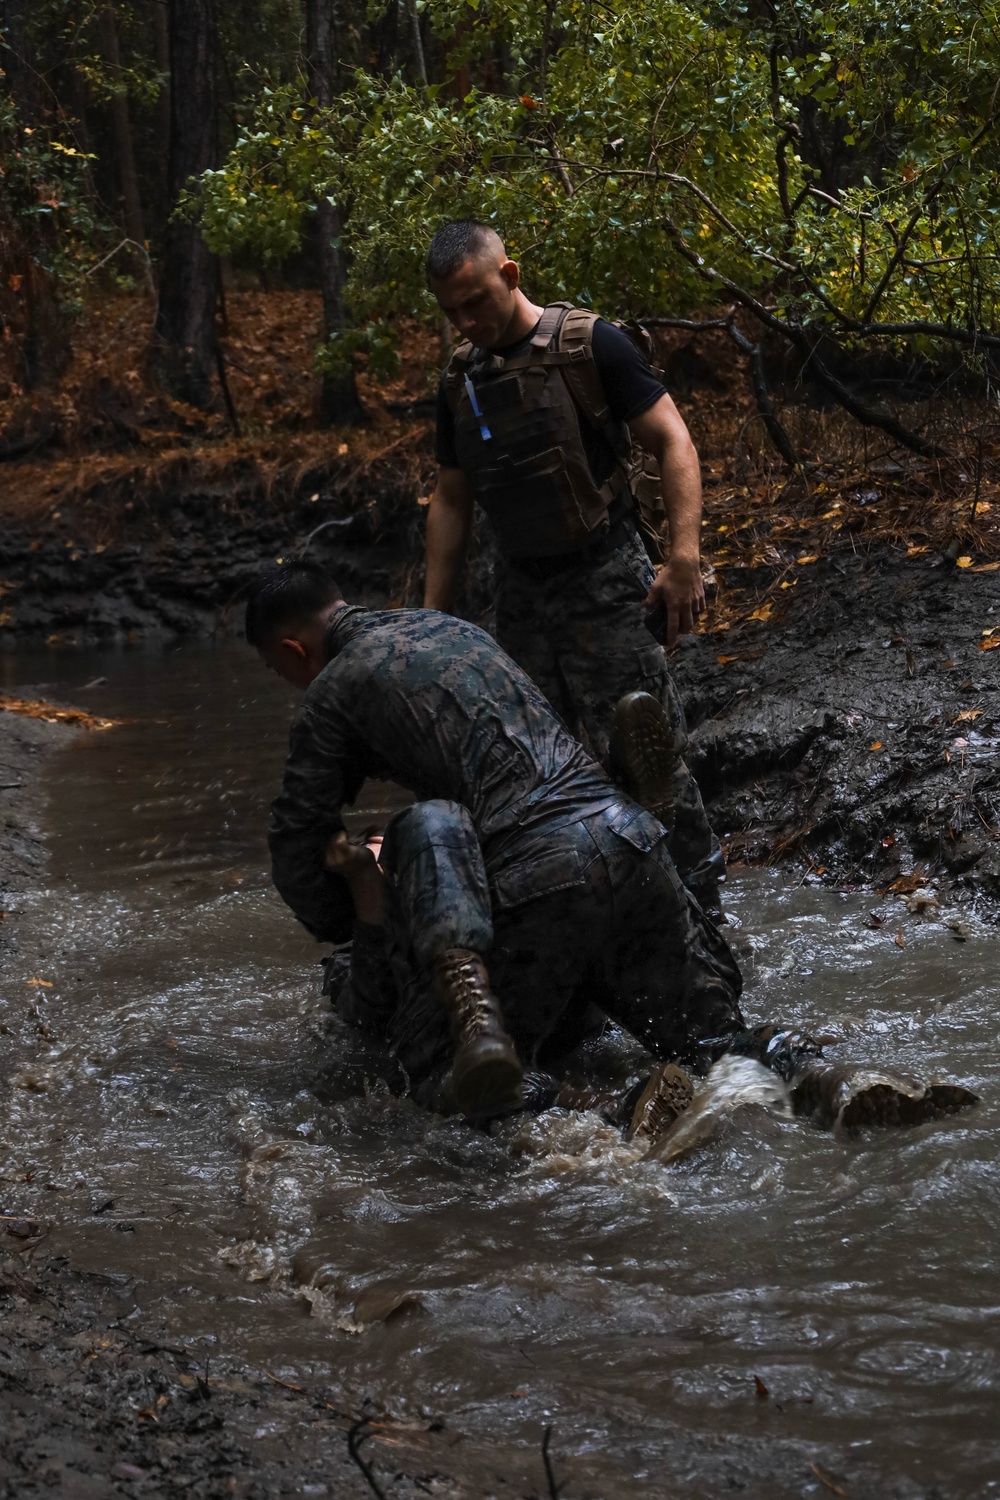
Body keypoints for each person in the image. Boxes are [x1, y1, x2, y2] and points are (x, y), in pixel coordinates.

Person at [247, 561, 745, 1123]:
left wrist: (360, 904)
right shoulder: (455, 631)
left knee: (435, 1073)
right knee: (719, 1048)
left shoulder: (333, 692)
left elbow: (297, 849)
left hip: (536, 880)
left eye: (277, 670)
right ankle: (821, 1079)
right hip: (626, 838)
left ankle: (613, 1110)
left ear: (293, 651)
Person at [422, 218, 725, 914]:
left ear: (510, 275)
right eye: (452, 312)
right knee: (538, 769)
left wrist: (683, 561)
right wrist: (434, 622)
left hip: (606, 579)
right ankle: (592, 914)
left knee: (646, 749)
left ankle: (703, 911)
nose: (467, 321)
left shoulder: (589, 346)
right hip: (521, 595)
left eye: (476, 302)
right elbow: (451, 500)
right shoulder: (458, 383)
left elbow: (672, 440)